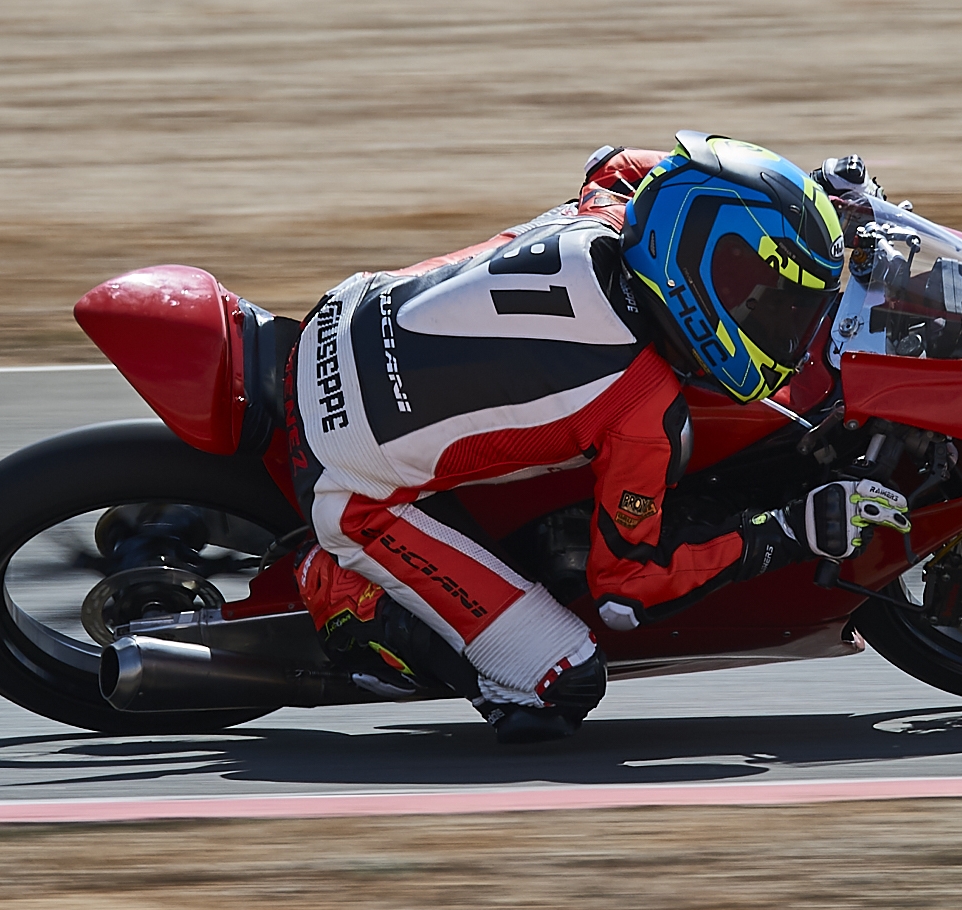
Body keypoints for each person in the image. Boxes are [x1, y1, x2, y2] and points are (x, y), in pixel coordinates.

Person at [284, 133, 909, 744]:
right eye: (770, 305)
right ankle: (347, 595)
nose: (785, 325)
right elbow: (626, 589)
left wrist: (806, 207)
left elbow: (624, 163)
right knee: (563, 683)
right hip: (350, 484)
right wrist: (786, 532)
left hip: (341, 314)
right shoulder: (642, 409)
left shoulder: (608, 210)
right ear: (700, 285)